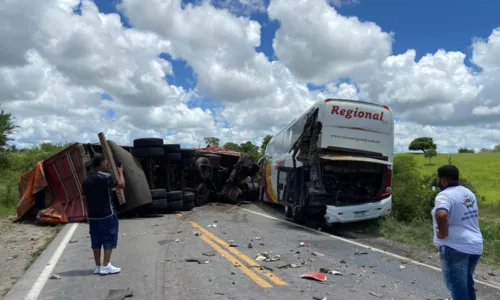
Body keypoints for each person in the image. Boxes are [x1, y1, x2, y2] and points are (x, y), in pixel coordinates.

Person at [432, 165, 483, 300]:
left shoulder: (444, 195)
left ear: (443, 180)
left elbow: (442, 214)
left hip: (455, 247)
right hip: (474, 245)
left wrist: (443, 234)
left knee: (457, 288)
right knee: (466, 284)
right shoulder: (468, 193)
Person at [81, 155, 125, 275]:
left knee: (96, 239)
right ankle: (106, 265)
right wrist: (121, 172)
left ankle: (98, 266)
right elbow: (121, 185)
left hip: (92, 215)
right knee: (109, 238)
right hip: (107, 214)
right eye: (105, 163)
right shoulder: (106, 177)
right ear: (100, 164)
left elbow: (84, 198)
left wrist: (87, 213)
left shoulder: (86, 180)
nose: (106, 165)